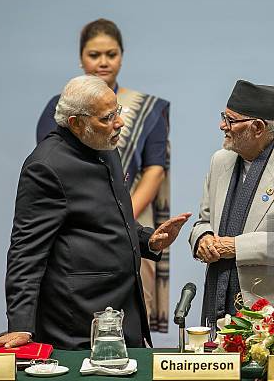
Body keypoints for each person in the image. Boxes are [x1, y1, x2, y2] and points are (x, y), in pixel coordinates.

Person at [0, 75, 190, 350]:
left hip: (124, 313)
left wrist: (148, 240)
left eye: (117, 112)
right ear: (76, 123)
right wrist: (20, 325)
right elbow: (26, 251)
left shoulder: (105, 146)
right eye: (107, 117)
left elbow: (108, 217)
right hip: (76, 325)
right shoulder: (45, 166)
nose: (119, 123)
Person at [36, 19, 170, 331]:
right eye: (94, 55)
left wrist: (123, 219)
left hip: (132, 221)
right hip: (76, 228)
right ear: (81, 58)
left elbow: (154, 169)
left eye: (111, 54)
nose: (103, 62)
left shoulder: (150, 108)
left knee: (129, 320)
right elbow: (54, 165)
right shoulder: (58, 108)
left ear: (122, 56)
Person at [189, 80, 274, 328]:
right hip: (218, 292)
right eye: (224, 117)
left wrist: (236, 246)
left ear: (257, 127)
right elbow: (204, 220)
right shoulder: (220, 161)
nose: (223, 126)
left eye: (231, 120)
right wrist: (202, 238)